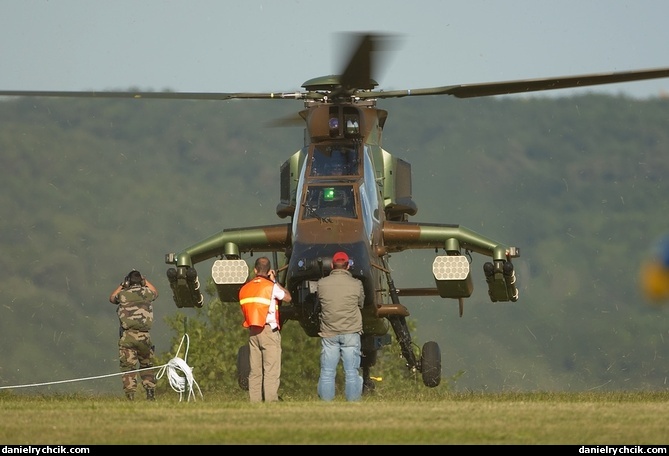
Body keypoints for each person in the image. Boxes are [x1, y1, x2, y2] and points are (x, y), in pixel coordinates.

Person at [238, 256, 292, 402]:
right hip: (268, 331)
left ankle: (255, 402)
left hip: (253, 332)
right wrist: (274, 280)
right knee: (271, 370)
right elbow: (287, 297)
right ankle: (271, 403)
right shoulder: (271, 286)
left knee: (255, 371)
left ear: (255, 270)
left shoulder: (245, 288)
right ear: (269, 271)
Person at [316, 251, 365, 401]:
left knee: (327, 372)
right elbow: (361, 303)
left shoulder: (321, 284)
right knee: (351, 372)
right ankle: (353, 403)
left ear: (332, 265)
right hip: (351, 331)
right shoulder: (356, 284)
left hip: (329, 332)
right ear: (348, 266)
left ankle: (326, 404)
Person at [108, 269, 159, 401]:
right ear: (141, 281)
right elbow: (156, 292)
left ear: (128, 282)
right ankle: (150, 394)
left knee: (128, 367)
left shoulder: (123, 294)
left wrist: (122, 285)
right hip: (144, 337)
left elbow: (112, 298)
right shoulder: (147, 293)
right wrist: (145, 281)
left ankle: (130, 397)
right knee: (147, 365)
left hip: (128, 337)